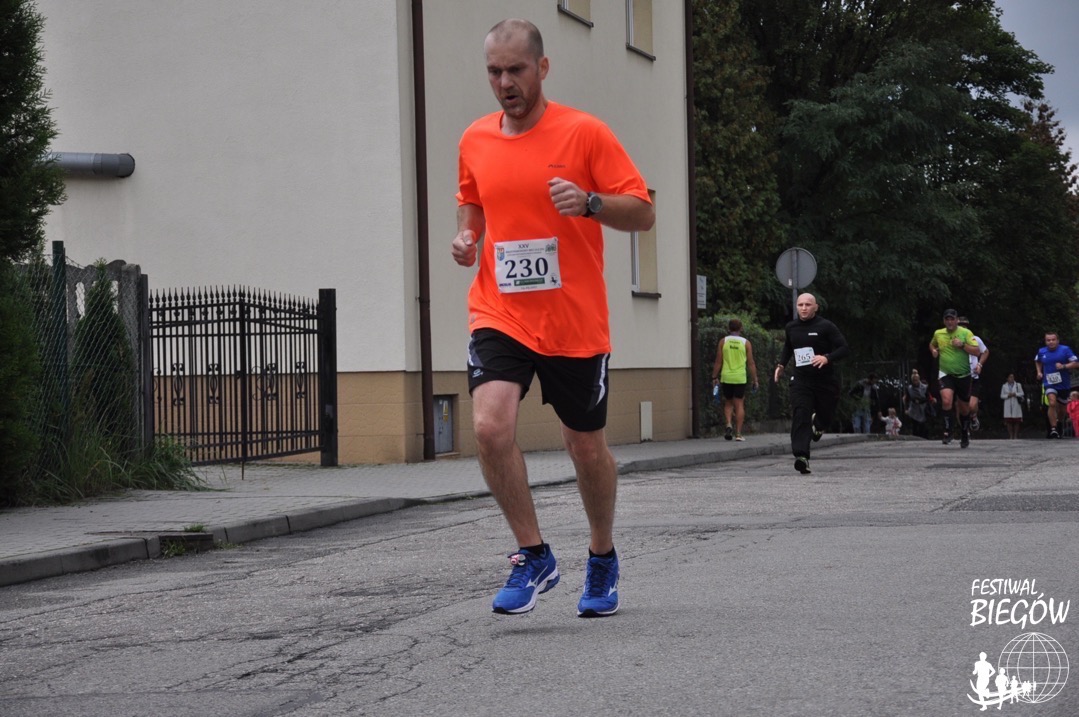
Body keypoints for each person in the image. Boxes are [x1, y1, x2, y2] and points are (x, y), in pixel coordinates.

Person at [451, 19, 654, 618]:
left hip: (573, 321)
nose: (505, 83)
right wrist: (467, 237)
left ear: (542, 68)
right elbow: (472, 201)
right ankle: (533, 554)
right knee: (490, 427)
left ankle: (602, 556)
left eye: (516, 69)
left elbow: (642, 211)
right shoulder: (475, 138)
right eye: (494, 72)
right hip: (500, 310)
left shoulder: (585, 132)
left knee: (584, 447)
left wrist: (590, 203)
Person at [774, 293, 850, 474]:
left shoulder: (826, 326)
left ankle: (819, 425)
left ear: (816, 307)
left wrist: (827, 358)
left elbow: (844, 348)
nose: (804, 308)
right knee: (801, 413)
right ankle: (801, 456)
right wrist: (781, 365)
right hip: (801, 380)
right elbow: (788, 347)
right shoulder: (791, 327)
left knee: (826, 413)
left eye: (808, 305)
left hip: (825, 381)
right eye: (800, 305)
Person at [928, 309, 981, 448]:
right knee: (946, 400)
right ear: (944, 321)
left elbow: (977, 351)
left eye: (952, 319)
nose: (950, 322)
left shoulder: (966, 333)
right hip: (945, 373)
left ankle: (964, 433)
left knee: (964, 409)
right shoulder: (938, 333)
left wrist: (962, 345)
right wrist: (933, 351)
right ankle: (948, 431)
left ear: (957, 320)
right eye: (947, 319)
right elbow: (932, 344)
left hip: (963, 375)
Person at [711, 318, 759, 442]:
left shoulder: (723, 342)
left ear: (729, 328)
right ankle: (738, 433)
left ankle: (728, 424)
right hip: (740, 377)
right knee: (739, 404)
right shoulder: (746, 343)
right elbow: (751, 363)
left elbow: (718, 361)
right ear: (741, 328)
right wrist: (755, 379)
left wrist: (714, 377)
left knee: (728, 402)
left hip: (726, 376)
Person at [1034, 332, 1079, 438]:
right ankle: (1053, 429)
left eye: (1053, 340)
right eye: (1048, 340)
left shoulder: (1065, 350)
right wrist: (1039, 372)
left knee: (1062, 409)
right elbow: (1037, 361)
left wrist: (1064, 366)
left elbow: (1076, 363)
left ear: (1057, 340)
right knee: (1052, 403)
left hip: (1063, 384)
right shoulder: (1042, 351)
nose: (1051, 342)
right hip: (1049, 382)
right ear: (1045, 341)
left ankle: (1059, 423)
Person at [957, 317, 988, 431]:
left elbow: (985, 352)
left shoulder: (975, 339)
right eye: (961, 326)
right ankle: (964, 431)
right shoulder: (954, 341)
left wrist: (979, 365)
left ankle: (974, 416)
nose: (963, 328)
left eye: (965, 326)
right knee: (960, 407)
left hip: (973, 377)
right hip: (959, 377)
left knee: (971, 406)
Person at [902, 369, 930, 439]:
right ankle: (915, 438)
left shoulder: (924, 387)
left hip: (922, 407)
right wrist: (906, 408)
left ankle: (924, 438)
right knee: (915, 425)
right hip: (913, 408)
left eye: (916, 380)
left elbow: (928, 398)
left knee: (923, 425)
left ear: (918, 379)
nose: (915, 382)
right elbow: (907, 399)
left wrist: (920, 401)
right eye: (914, 380)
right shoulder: (909, 388)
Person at [1000, 373, 1024, 439]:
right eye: (1010, 377)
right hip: (1008, 404)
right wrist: (1008, 395)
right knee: (1008, 421)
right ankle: (1011, 435)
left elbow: (1022, 393)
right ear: (1007, 378)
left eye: (1013, 377)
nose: (1012, 378)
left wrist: (1015, 394)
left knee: (1017, 421)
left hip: (1016, 404)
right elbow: (1001, 396)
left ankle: (1015, 435)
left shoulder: (1018, 385)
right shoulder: (1004, 386)